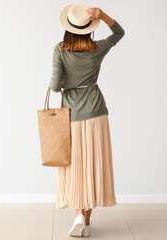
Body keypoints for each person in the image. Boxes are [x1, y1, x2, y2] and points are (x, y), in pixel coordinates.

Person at [49, 3, 125, 237]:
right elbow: (119, 33)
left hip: (71, 116)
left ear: (68, 28)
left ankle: (78, 214)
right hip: (96, 113)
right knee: (92, 165)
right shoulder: (97, 47)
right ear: (89, 28)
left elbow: (54, 87)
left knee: (75, 167)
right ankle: (86, 222)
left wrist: (64, 82)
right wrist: (103, 16)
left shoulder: (60, 49)